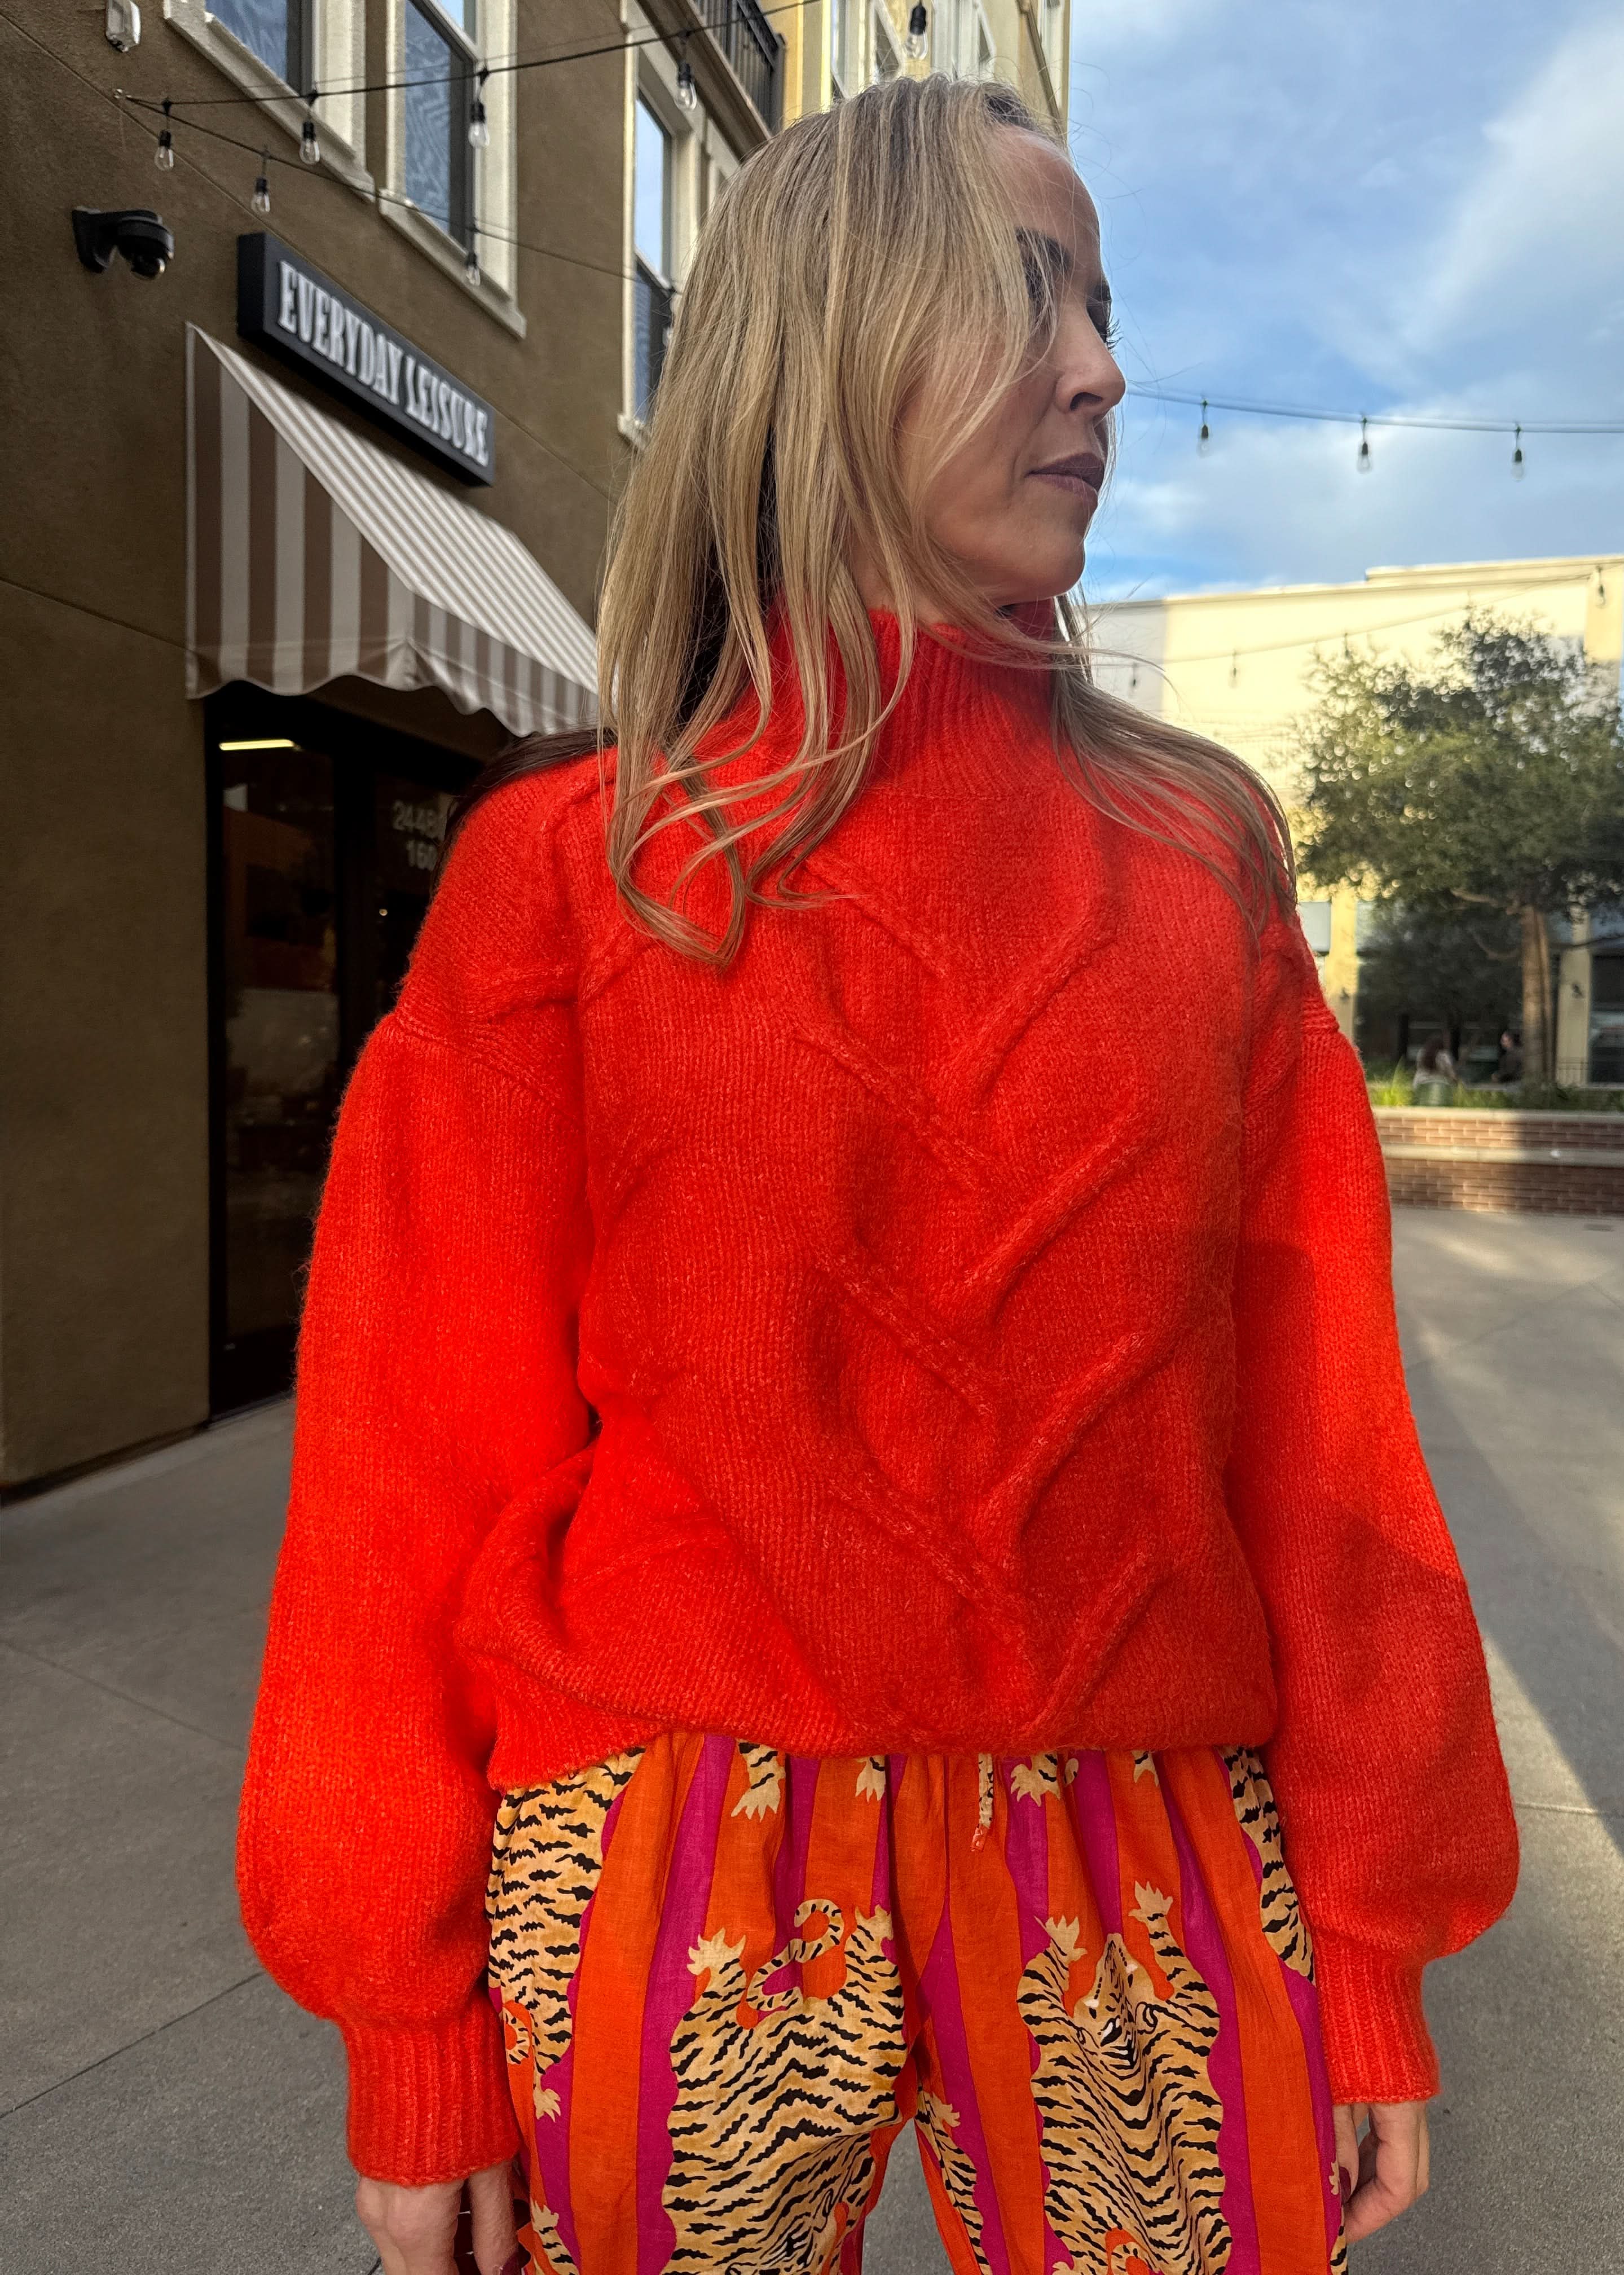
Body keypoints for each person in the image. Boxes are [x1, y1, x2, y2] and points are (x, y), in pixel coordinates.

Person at [238, 75, 1518, 2275]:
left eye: (1107, 308)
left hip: (1148, 1821)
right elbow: (401, 1472)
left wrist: (1376, 1946)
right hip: (669, 1819)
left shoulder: (1206, 859)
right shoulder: (581, 873)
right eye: (1034, 299)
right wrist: (407, 2017)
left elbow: (1328, 1447)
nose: (1108, 372)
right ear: (830, 345)